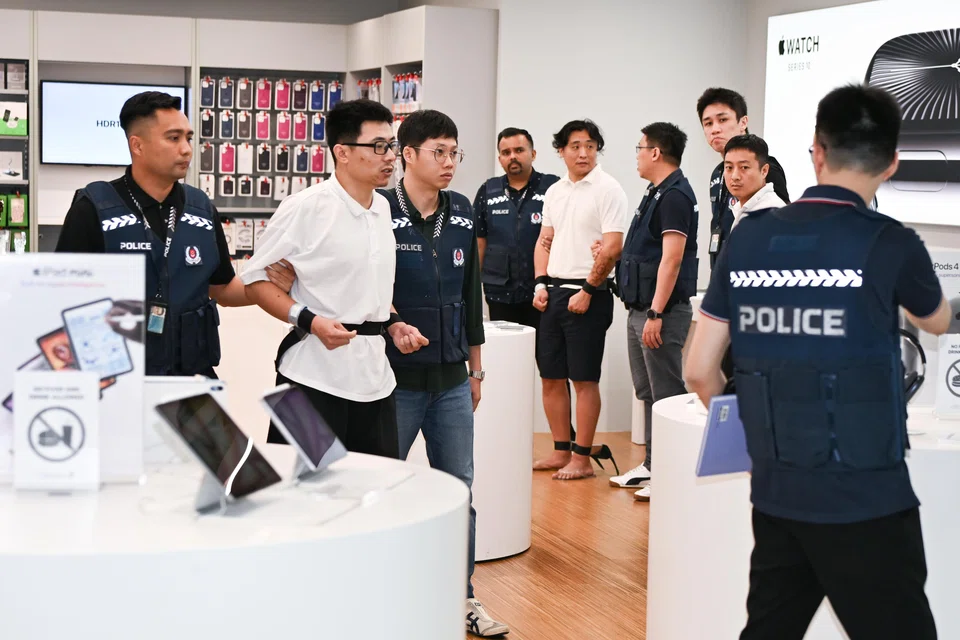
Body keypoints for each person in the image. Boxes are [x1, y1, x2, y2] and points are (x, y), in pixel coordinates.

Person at [685, 84, 949, 640]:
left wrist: (757, 426)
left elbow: (698, 369)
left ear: (816, 151)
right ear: (893, 161)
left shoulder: (749, 237)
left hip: (779, 491)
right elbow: (937, 321)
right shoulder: (892, 242)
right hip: (868, 497)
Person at [379, 109, 509, 637]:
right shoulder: (380, 211)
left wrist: (477, 371)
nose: (450, 162)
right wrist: (391, 324)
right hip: (394, 382)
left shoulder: (460, 212)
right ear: (408, 155)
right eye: (439, 152)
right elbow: (366, 293)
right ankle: (384, 595)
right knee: (386, 488)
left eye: (455, 152)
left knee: (459, 491)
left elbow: (469, 296)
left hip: (453, 380)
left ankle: (463, 599)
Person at [56, 91, 294, 377]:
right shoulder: (93, 208)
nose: (186, 149)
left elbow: (223, 289)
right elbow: (64, 300)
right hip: (121, 380)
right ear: (138, 145)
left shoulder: (201, 208)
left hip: (192, 378)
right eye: (173, 138)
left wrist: (270, 284)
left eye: (188, 138)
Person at [242, 99, 419, 458]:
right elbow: (255, 279)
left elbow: (369, 285)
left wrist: (395, 323)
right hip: (312, 378)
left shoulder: (384, 207)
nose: (390, 157)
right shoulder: (306, 207)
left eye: (392, 146)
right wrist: (310, 320)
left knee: (371, 495)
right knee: (304, 500)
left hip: (375, 379)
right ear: (342, 152)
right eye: (379, 147)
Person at [531, 119, 626, 480]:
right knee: (551, 377)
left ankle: (582, 458)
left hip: (590, 294)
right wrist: (540, 283)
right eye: (575, 146)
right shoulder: (555, 191)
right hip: (553, 292)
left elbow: (613, 246)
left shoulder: (608, 189)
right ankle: (561, 450)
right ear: (561, 150)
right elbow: (545, 240)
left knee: (584, 379)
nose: (583, 152)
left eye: (590, 145)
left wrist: (588, 289)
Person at [607, 123, 698, 502]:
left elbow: (672, 259)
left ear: (656, 152)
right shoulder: (656, 192)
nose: (638, 155)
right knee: (647, 391)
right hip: (639, 308)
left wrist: (657, 313)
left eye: (641, 148)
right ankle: (651, 464)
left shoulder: (675, 195)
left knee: (667, 393)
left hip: (659, 312)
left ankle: (671, 470)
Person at [473, 127, 577, 441]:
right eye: (506, 152)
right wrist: (471, 290)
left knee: (553, 370)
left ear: (533, 153)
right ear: (500, 157)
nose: (512, 157)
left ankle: (565, 439)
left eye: (519, 150)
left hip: (542, 296)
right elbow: (480, 242)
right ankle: (505, 438)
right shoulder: (488, 191)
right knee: (505, 370)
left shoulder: (554, 188)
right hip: (500, 294)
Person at [696, 87, 789, 269]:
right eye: (708, 123)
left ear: (743, 122)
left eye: (723, 120)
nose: (715, 129)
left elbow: (780, 229)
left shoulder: (766, 169)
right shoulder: (717, 173)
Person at [723, 134, 787, 229]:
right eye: (729, 168)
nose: (735, 176)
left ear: (764, 171)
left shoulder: (771, 214)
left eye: (744, 167)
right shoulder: (741, 208)